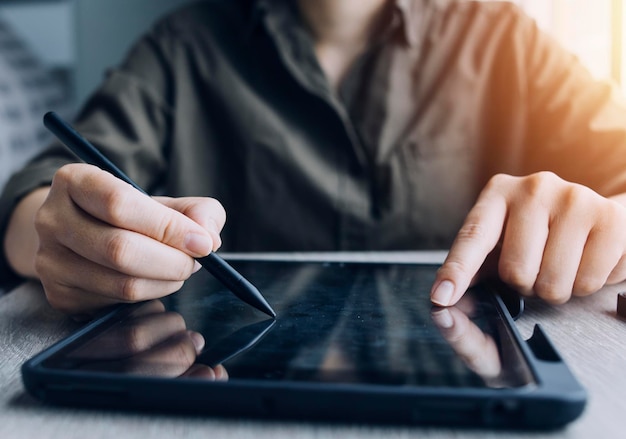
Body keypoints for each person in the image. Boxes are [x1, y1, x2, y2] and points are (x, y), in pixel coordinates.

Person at [1, 0, 626, 317]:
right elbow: (42, 193)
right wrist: (54, 232)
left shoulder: (504, 39)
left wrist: (608, 224)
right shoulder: (183, 49)